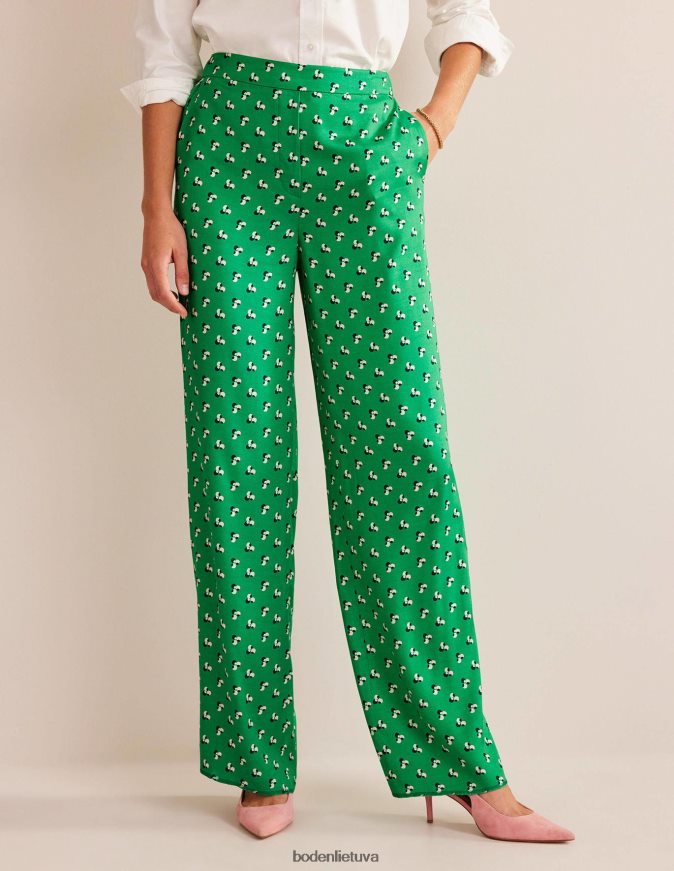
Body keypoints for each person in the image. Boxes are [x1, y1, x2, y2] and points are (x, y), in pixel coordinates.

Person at [121, 0, 574, 843]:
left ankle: (459, 759)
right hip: (227, 155)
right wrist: (157, 206)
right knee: (236, 455)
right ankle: (257, 758)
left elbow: (465, 13)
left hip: (365, 146)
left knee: (404, 445)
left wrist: (432, 127)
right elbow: (165, 45)